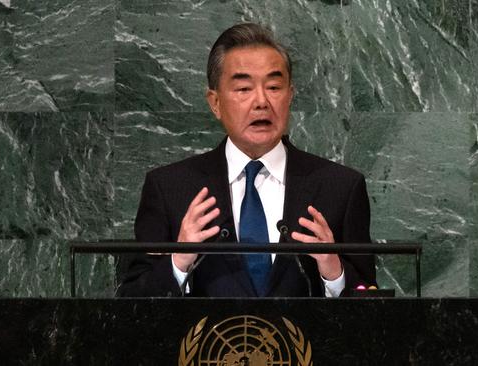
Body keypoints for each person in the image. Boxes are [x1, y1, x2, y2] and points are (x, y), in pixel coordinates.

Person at [117, 23, 375, 297]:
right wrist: (179, 260)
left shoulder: (340, 188)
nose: (261, 101)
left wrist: (334, 271)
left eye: (274, 87)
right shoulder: (170, 188)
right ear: (214, 102)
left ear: (290, 96)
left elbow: (372, 303)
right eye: (243, 89)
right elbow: (130, 301)